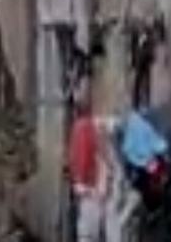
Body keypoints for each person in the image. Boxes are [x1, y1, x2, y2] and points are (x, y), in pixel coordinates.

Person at [68, 93, 107, 242]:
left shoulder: (81, 127)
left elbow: (82, 156)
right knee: (93, 228)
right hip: (96, 186)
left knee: (87, 231)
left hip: (88, 186)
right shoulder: (93, 126)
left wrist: (79, 180)